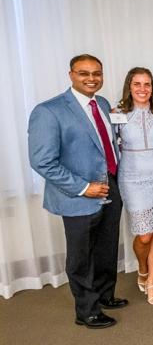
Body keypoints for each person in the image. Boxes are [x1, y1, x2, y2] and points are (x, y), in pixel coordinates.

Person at [28, 54, 126, 328]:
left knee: (106, 248)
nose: (91, 78)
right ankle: (87, 311)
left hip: (110, 187)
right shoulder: (49, 111)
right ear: (70, 74)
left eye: (97, 73)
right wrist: (84, 188)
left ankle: (105, 295)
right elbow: (42, 161)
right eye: (84, 73)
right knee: (81, 256)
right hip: (78, 196)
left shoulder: (103, 104)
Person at [116, 67, 153, 305]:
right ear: (129, 86)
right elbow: (106, 147)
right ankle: (142, 267)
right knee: (145, 234)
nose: (142, 89)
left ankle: (152, 282)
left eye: (147, 84)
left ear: (152, 87)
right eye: (137, 84)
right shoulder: (117, 114)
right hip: (132, 179)